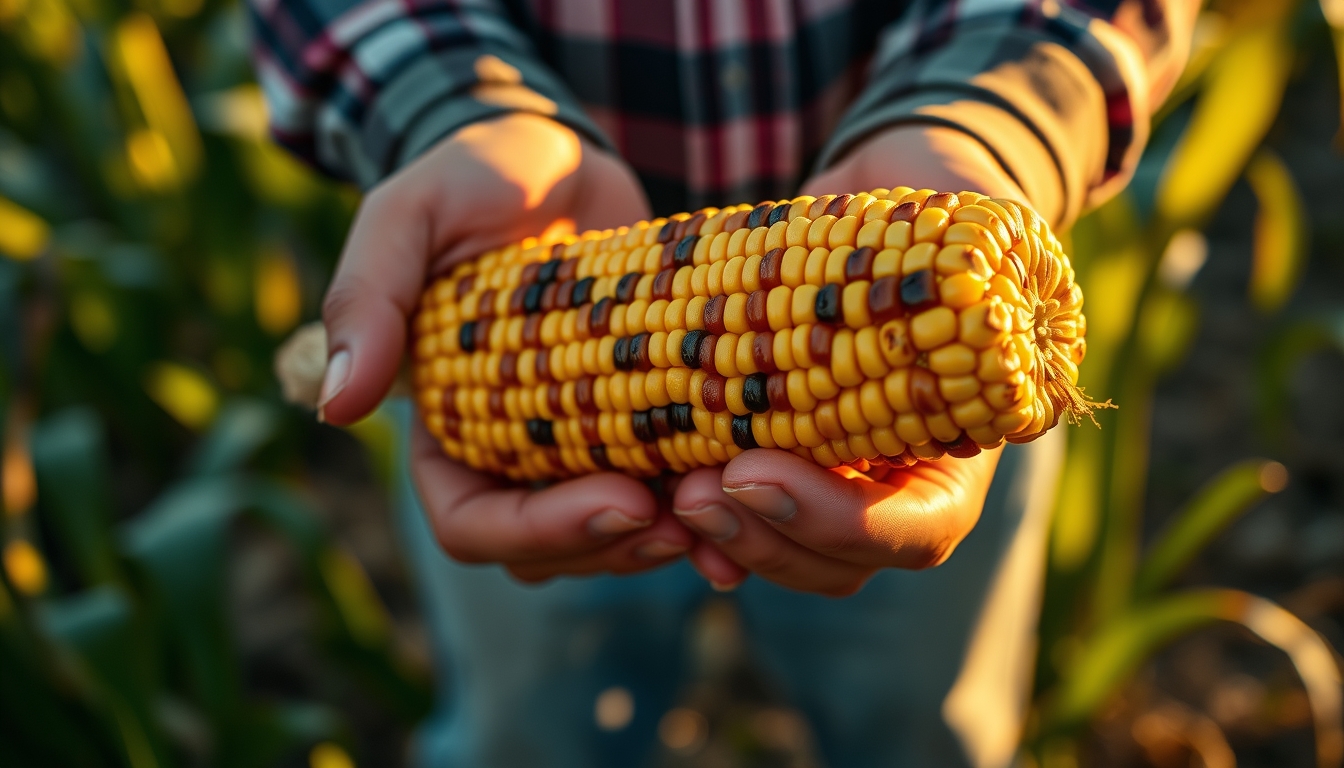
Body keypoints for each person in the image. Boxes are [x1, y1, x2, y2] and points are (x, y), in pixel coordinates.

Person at [250, 1, 1197, 765]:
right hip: (522, 282)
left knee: (918, 725)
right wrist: (450, 107)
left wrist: (991, 124)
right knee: (531, 732)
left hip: (901, 418)